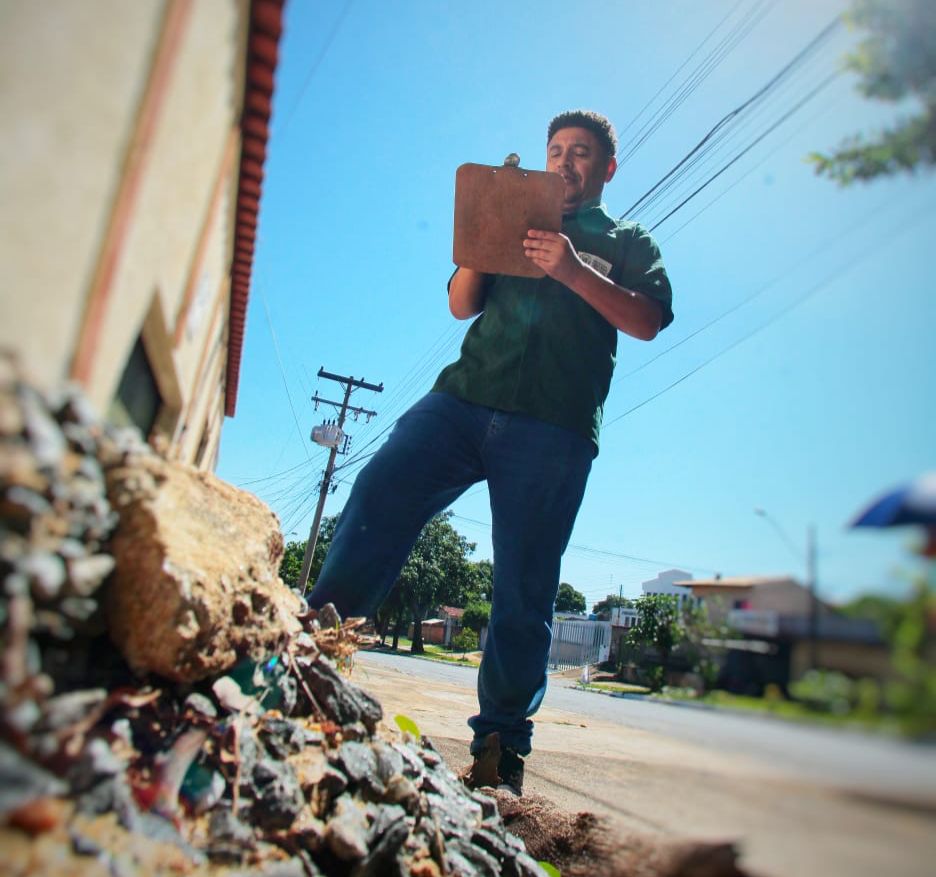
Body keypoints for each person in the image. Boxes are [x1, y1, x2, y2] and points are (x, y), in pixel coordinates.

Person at [308, 109, 674, 795]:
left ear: (606, 169)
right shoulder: (519, 213)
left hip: (554, 426)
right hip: (465, 400)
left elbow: (647, 319)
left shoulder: (626, 239)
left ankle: (498, 755)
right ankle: (315, 660)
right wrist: (483, 231)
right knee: (380, 490)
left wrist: (570, 270)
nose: (566, 161)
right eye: (557, 149)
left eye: (582, 153)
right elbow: (460, 303)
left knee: (524, 590)